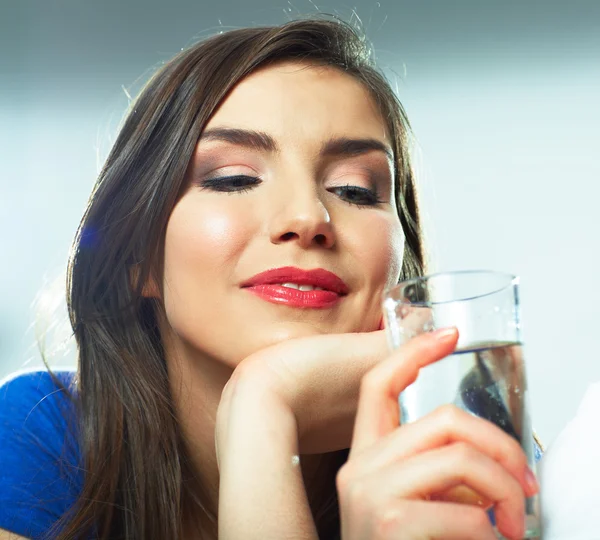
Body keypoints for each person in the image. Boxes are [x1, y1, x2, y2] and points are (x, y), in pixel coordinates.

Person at [0, 17, 541, 540]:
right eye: (234, 179)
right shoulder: (33, 436)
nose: (309, 217)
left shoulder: (467, 458)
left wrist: (264, 400)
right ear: (137, 260)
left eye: (354, 190)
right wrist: (264, 405)